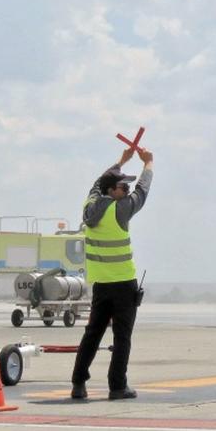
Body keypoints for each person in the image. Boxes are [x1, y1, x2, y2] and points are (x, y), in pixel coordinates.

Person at [70, 146, 153, 400]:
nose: (126, 190)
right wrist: (148, 163)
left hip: (101, 285)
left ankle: (78, 384)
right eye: (122, 186)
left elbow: (97, 183)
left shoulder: (90, 206)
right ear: (112, 191)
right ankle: (117, 387)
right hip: (123, 284)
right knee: (122, 338)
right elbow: (143, 190)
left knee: (92, 334)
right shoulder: (121, 209)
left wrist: (122, 161)